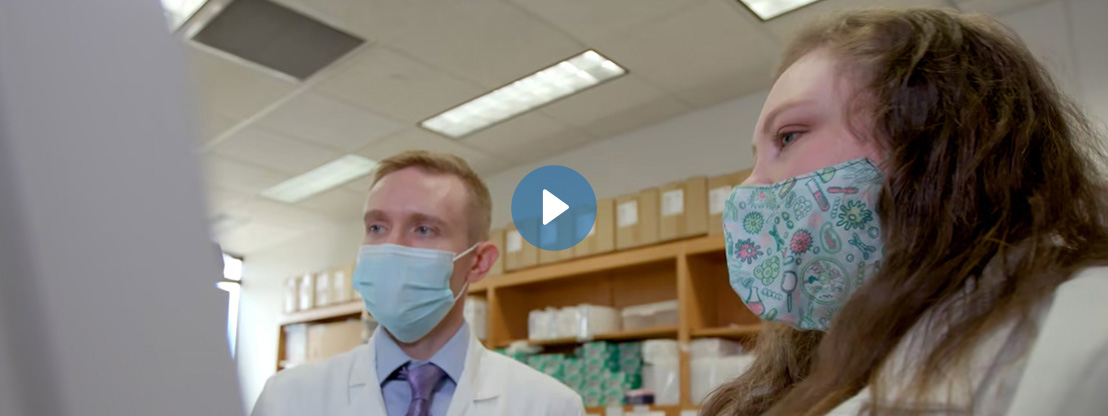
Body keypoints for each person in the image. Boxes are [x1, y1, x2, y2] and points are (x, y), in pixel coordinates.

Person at [702, 8, 1108, 416]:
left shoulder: (1086, 333)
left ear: (932, 134)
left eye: (788, 136)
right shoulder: (827, 359)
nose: (749, 188)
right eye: (756, 157)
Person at [252, 151, 584, 416]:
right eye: (378, 228)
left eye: (423, 229)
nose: (391, 247)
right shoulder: (286, 399)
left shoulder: (549, 406)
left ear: (478, 262)